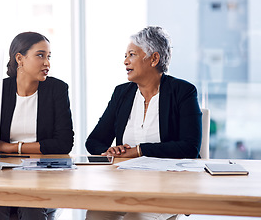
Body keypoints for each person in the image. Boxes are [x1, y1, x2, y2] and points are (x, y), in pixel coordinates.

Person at [85, 26, 202, 220]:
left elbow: (190, 147)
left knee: (135, 218)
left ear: (154, 59)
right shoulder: (122, 93)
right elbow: (94, 141)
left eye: (132, 54)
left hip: (166, 188)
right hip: (124, 187)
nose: (125, 61)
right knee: (95, 215)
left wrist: (140, 150)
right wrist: (110, 151)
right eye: (125, 55)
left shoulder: (183, 92)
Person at [0, 32, 74, 220]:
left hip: (42, 172)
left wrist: (11, 147)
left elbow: (64, 143)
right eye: (40, 55)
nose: (47, 63)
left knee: (32, 211)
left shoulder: (57, 89)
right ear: (20, 59)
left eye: (48, 57)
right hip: (2, 172)